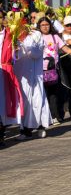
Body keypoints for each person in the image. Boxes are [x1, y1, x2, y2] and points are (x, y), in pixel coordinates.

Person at [38, 17, 71, 124]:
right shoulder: (36, 37)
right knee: (42, 94)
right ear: (39, 26)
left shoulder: (55, 37)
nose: (45, 27)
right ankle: (43, 118)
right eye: (42, 25)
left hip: (53, 70)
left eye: (47, 24)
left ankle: (54, 116)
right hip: (39, 70)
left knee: (54, 94)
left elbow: (67, 50)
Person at [14, 29, 51, 139]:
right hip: (21, 75)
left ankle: (40, 126)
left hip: (35, 76)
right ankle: (24, 130)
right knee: (24, 102)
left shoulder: (36, 34)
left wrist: (24, 41)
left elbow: (35, 53)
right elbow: (16, 56)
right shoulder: (14, 35)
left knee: (37, 101)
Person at [0, 11, 23, 145]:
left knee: (3, 102)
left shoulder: (9, 33)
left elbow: (16, 57)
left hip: (5, 71)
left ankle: (1, 132)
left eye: (1, 17)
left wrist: (16, 49)